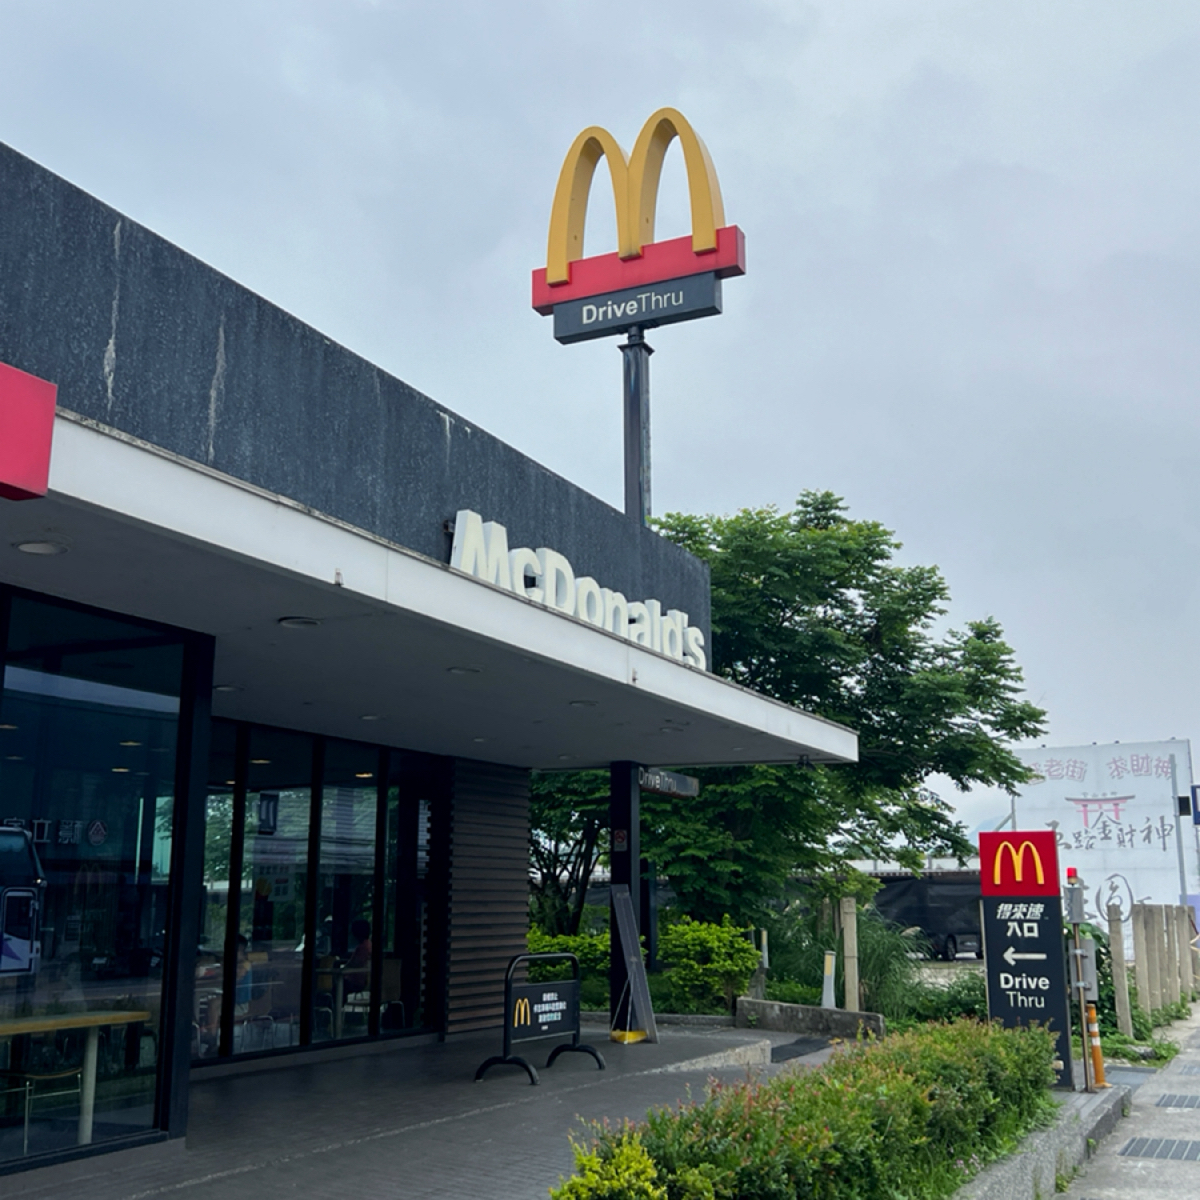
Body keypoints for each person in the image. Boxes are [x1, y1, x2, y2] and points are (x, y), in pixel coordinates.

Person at [342, 920, 371, 995]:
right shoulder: (369, 945)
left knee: (338, 985)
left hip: (357, 981)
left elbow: (354, 964)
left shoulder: (362, 948)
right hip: (363, 980)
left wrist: (343, 969)